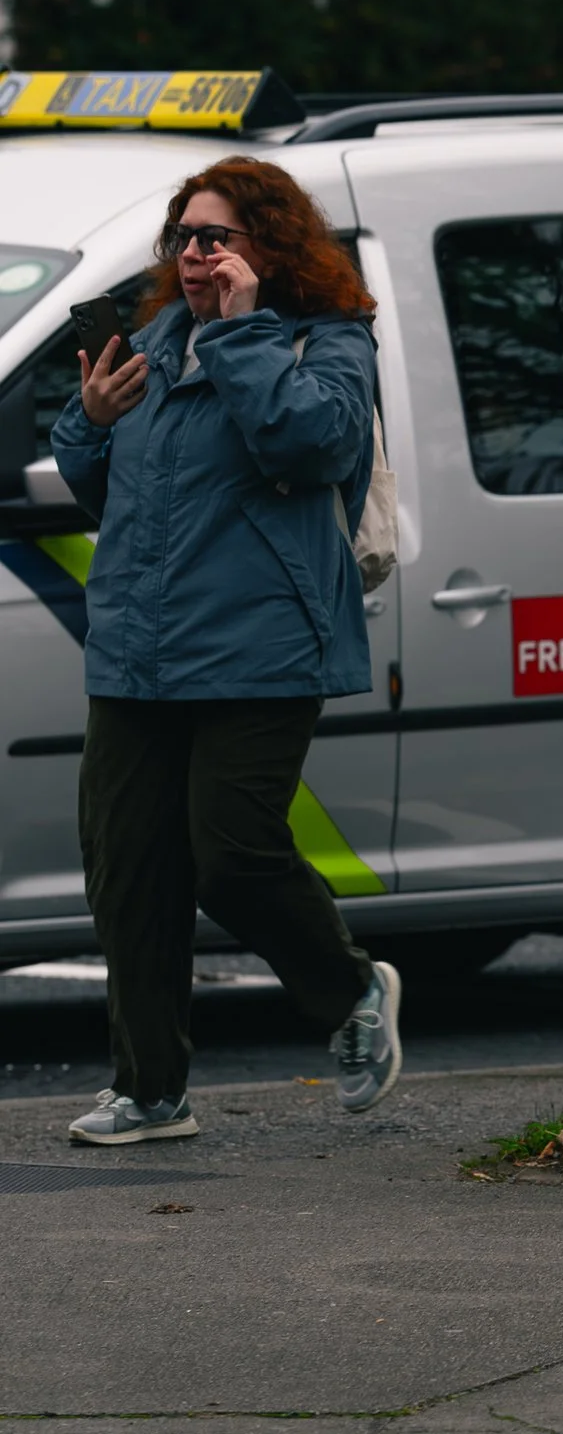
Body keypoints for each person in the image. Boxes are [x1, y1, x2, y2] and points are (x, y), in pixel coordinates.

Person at [49, 159, 402, 1142]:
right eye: (186, 237)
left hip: (262, 642)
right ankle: (151, 1089)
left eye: (218, 236)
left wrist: (241, 334)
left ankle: (354, 989)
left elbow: (313, 445)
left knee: (235, 854)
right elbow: (103, 487)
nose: (196, 254)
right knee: (130, 869)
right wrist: (92, 420)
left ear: (270, 248)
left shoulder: (325, 337)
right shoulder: (157, 341)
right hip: (139, 646)